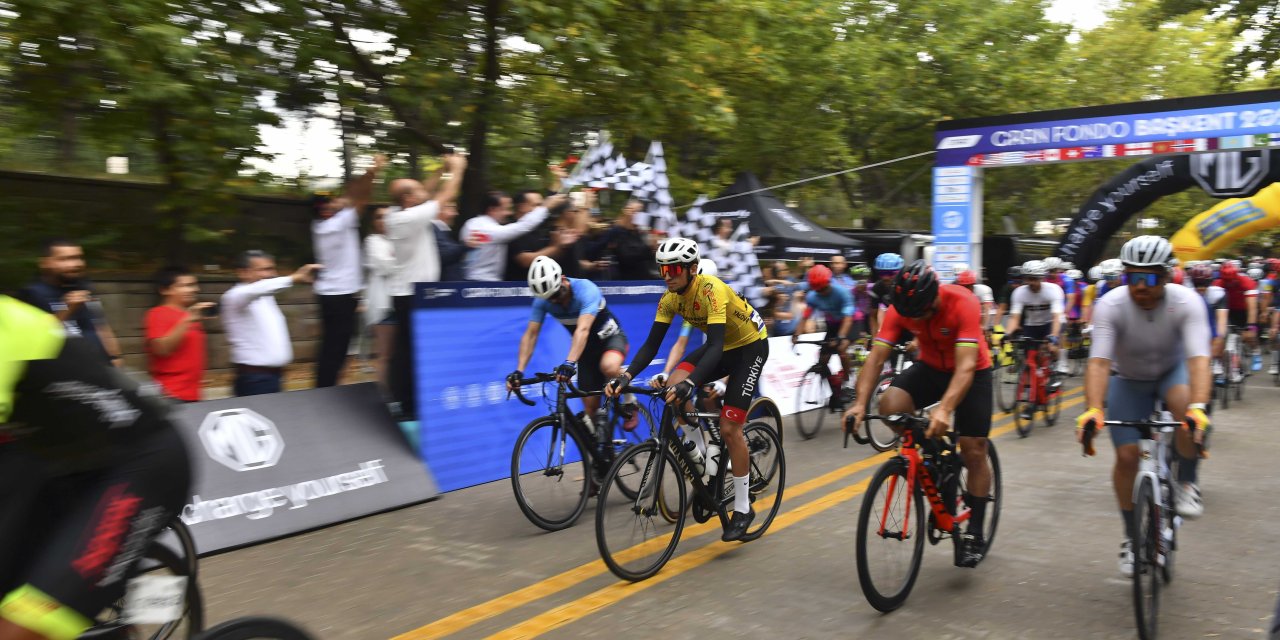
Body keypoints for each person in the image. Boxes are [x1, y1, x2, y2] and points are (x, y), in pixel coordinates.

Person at [0, 294, 192, 640]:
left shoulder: (4, 322)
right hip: (66, 469)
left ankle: (125, 613)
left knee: (22, 627)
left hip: (143, 461)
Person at [604, 238, 768, 542]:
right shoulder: (670, 298)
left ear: (692, 268)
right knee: (671, 388)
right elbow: (651, 345)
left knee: (730, 427)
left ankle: (744, 509)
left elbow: (717, 346)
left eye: (674, 268)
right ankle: (704, 459)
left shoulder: (711, 289)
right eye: (662, 269)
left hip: (749, 347)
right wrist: (625, 377)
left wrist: (691, 384)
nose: (667, 275)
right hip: (721, 348)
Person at [1074, 236, 1212, 578]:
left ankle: (1186, 484)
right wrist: (1094, 408)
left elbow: (1198, 361)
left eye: (1148, 278)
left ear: (1166, 277)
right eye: (1131, 277)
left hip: (1171, 372)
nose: (1139, 287)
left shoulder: (1187, 303)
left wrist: (1198, 407)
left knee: (1184, 408)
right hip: (1129, 379)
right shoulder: (1111, 305)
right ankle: (1131, 538)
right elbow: (1100, 364)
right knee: (1126, 458)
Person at [842, 260, 995, 568]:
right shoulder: (902, 308)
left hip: (972, 372)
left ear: (934, 296)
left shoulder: (962, 302)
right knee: (890, 405)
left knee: (974, 450)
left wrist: (945, 409)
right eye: (909, 314)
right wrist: (859, 403)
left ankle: (975, 533)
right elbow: (875, 359)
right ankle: (935, 457)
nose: (915, 319)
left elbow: (965, 367)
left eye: (921, 312)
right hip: (931, 367)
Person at [384, 153, 468, 419]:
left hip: (410, 291)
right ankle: (408, 405)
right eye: (418, 190)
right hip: (411, 293)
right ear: (409, 199)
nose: (425, 189)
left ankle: (408, 401)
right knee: (411, 351)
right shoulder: (409, 219)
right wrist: (457, 169)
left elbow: (426, 190)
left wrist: (439, 169)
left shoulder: (399, 212)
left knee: (410, 349)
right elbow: (444, 194)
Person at [506, 256, 634, 428]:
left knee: (608, 366)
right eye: (549, 298)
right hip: (586, 351)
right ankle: (602, 451)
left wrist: (569, 363)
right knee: (590, 409)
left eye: (556, 294)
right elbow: (531, 335)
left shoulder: (586, 289)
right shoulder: (543, 301)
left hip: (610, 339)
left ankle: (629, 399)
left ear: (563, 280)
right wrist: (519, 370)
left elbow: (583, 330)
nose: (555, 301)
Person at [310, 155, 385, 388]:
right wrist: (373, 171)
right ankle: (325, 389)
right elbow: (360, 198)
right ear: (324, 208)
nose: (335, 203)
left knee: (331, 346)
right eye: (330, 202)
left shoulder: (320, 226)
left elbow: (351, 199)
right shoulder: (337, 223)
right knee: (337, 347)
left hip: (331, 293)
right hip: (340, 295)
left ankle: (325, 386)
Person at [221, 251, 322, 397]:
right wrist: (294, 278)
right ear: (243, 272)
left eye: (272, 269)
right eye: (265, 269)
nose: (272, 274)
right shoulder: (235, 296)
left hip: (273, 377)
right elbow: (255, 290)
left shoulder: (266, 298)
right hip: (254, 379)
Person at [16, 238, 123, 367]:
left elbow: (101, 326)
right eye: (65, 259)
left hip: (99, 369)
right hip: (62, 375)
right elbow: (31, 339)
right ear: (44, 263)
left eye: (78, 258)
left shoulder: (83, 288)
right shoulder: (32, 294)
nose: (76, 264)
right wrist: (67, 309)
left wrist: (115, 357)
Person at [1001, 260, 1065, 421]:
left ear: (1043, 278)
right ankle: (1031, 400)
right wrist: (1007, 333)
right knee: (1030, 361)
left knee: (1051, 347)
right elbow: (1015, 318)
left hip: (1051, 323)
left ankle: (1054, 373)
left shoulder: (1053, 290)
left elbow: (1057, 317)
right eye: (1029, 279)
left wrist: (1054, 337)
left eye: (1035, 279)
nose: (1032, 283)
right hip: (1031, 325)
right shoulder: (1020, 293)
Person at [144, 267, 214, 402]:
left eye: (194, 285)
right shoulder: (158, 314)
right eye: (186, 286)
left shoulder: (191, 315)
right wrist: (187, 320)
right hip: (170, 395)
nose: (195, 289)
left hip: (192, 393)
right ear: (165, 290)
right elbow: (161, 349)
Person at [461, 191, 554, 281]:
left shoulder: (471, 224)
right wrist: (545, 208)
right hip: (483, 283)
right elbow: (523, 226)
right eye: (505, 209)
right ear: (492, 209)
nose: (509, 213)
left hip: (472, 279)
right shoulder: (489, 230)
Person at [793, 264, 855, 379]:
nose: (822, 292)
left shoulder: (842, 293)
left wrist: (840, 337)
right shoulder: (812, 297)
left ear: (830, 282)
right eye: (818, 290)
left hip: (848, 323)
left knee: (841, 349)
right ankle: (832, 386)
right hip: (832, 325)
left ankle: (848, 381)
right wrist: (796, 334)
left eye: (824, 288)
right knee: (822, 360)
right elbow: (805, 317)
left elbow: (848, 318)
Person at [363, 207, 397, 393]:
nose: (384, 220)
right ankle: (384, 396)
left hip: (402, 302)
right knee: (385, 355)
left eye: (387, 217)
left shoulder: (399, 240)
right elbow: (384, 266)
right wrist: (401, 260)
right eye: (379, 217)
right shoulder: (372, 241)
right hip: (384, 305)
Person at [586, 199, 657, 280]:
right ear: (626, 211)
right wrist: (649, 248)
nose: (638, 215)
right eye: (635, 211)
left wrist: (654, 250)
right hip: (627, 282)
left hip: (644, 279)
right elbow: (627, 257)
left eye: (640, 212)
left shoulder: (639, 232)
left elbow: (647, 259)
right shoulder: (617, 231)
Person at [867, 253, 904, 337]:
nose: (885, 277)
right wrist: (874, 337)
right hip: (893, 325)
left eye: (890, 273)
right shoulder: (877, 287)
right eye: (882, 273)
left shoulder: (908, 286)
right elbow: (873, 316)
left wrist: (916, 341)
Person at [433, 202, 467, 282]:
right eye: (451, 209)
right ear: (438, 210)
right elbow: (444, 254)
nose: (456, 213)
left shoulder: (442, 230)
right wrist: (466, 245)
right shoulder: (434, 230)